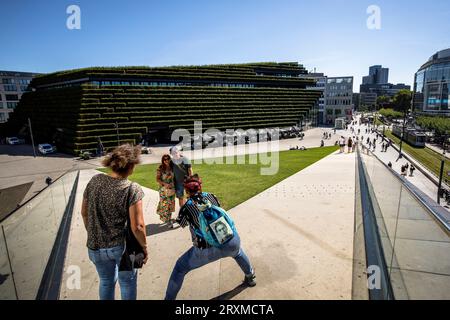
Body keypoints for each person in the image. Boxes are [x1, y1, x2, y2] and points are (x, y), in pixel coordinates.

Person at [165, 174, 256, 300]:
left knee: (180, 268)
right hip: (229, 240)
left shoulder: (186, 207)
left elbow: (182, 223)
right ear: (200, 187)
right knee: (238, 253)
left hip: (205, 250)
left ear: (187, 190)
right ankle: (250, 277)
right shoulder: (211, 196)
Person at [81, 144, 148, 300]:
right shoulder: (132, 188)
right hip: (120, 248)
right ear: (130, 166)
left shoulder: (95, 180)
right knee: (127, 283)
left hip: (95, 246)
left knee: (106, 282)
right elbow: (138, 226)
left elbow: (84, 213)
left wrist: (93, 233)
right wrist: (144, 247)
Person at [156, 154, 176, 228]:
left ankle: (168, 218)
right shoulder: (160, 168)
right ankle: (168, 220)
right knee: (165, 204)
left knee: (171, 204)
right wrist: (165, 184)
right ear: (163, 160)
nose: (166, 160)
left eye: (168, 159)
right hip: (163, 190)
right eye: (165, 159)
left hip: (172, 189)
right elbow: (157, 179)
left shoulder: (172, 167)